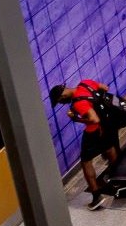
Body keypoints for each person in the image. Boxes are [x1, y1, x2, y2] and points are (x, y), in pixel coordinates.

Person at [50, 79, 121, 210]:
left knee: (86, 161)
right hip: (108, 124)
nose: (61, 103)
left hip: (94, 131)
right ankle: (117, 179)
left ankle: (96, 196)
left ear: (62, 95)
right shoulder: (85, 83)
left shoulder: (79, 103)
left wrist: (76, 118)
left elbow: (94, 119)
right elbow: (105, 88)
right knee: (110, 147)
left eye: (60, 101)